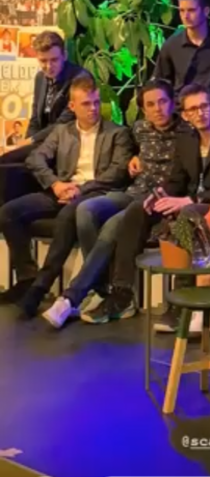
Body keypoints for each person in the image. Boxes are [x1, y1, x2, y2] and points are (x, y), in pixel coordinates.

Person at [79, 83, 210, 329]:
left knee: (187, 214)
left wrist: (190, 200)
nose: (200, 113)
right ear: (185, 114)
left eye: (204, 106)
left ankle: (181, 304)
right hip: (190, 203)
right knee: (138, 209)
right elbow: (177, 179)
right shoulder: (187, 139)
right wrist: (159, 195)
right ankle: (122, 295)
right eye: (192, 109)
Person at [41, 79, 188, 329]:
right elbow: (127, 154)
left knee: (112, 226)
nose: (158, 109)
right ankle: (100, 287)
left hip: (155, 201)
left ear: (172, 103)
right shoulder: (139, 128)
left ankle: (71, 297)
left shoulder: (185, 133)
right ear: (143, 109)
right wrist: (134, 157)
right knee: (86, 208)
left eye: (163, 101)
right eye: (151, 104)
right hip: (132, 192)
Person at [0, 75, 133, 312]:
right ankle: (27, 276)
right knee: (8, 213)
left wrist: (80, 189)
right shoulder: (61, 131)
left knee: (66, 216)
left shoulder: (117, 132)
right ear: (72, 106)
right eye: (86, 104)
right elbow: (35, 158)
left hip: (94, 193)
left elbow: (117, 172)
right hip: (61, 190)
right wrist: (55, 184)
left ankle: (41, 287)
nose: (93, 108)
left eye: (96, 102)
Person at [0, 31, 85, 164]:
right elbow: (35, 118)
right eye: (43, 61)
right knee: (11, 162)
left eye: (54, 60)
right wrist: (26, 144)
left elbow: (65, 123)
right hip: (42, 143)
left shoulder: (79, 79)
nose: (49, 66)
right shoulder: (40, 77)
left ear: (65, 56)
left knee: (6, 162)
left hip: (67, 143)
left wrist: (31, 141)